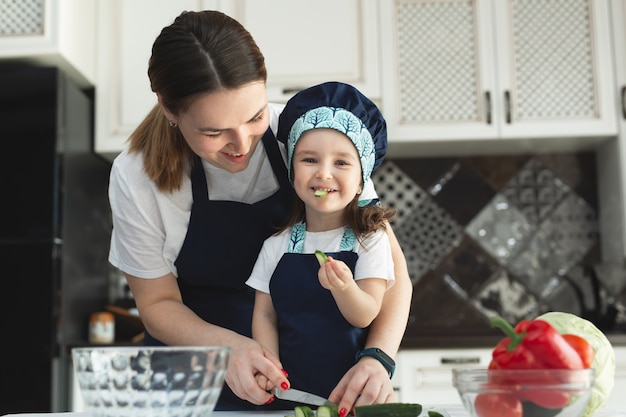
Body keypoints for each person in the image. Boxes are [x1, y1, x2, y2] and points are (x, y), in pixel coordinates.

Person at [107, 9, 412, 414]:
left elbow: (393, 275)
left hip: (312, 379)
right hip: (192, 381)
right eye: (213, 132)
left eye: (254, 117)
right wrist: (230, 346)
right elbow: (158, 305)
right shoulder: (137, 174)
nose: (241, 144)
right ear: (168, 109)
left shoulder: (312, 138)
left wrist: (378, 358)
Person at [246, 82, 397, 405]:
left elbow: (366, 314)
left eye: (341, 163)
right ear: (292, 171)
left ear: (361, 181)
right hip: (288, 396)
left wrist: (345, 289)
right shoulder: (276, 245)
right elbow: (265, 316)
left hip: (351, 399)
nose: (324, 174)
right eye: (309, 160)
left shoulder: (369, 241)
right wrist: (271, 367)